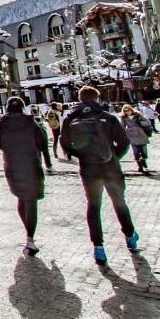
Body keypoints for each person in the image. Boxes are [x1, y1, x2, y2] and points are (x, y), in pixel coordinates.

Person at [61, 85, 139, 266]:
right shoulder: (108, 117)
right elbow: (123, 141)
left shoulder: (71, 118)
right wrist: (113, 156)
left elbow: (65, 143)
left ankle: (98, 247)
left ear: (80, 99)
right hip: (111, 167)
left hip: (89, 170)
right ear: (97, 98)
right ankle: (130, 236)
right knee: (119, 202)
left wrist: (83, 157)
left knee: (93, 206)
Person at [0, 96, 52, 255]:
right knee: (30, 200)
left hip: (12, 165)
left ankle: (28, 234)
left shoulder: (2, 124)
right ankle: (30, 238)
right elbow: (41, 143)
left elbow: (0, 144)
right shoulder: (29, 122)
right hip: (30, 164)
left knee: (21, 197)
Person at [120, 105, 152, 174]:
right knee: (136, 152)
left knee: (144, 152)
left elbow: (148, 122)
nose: (127, 112)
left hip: (141, 134)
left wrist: (140, 123)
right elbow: (122, 127)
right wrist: (122, 136)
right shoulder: (124, 118)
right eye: (125, 111)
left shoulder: (138, 115)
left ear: (131, 109)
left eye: (128, 110)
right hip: (131, 136)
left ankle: (143, 160)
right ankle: (140, 167)